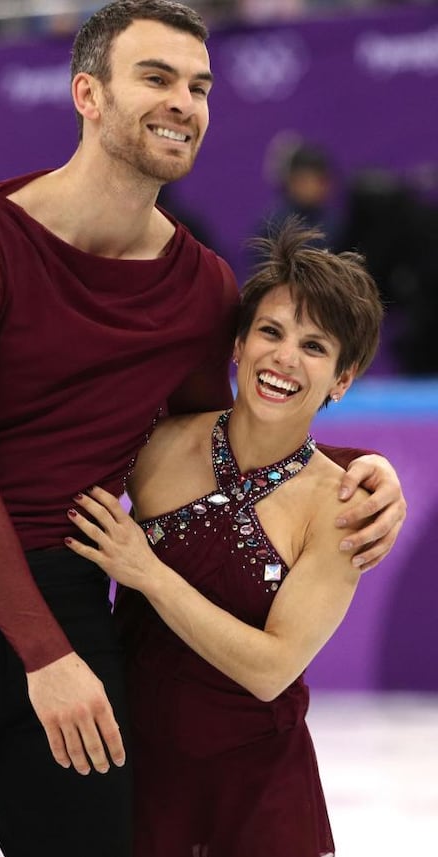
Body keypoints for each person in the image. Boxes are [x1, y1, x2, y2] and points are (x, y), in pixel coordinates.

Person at [0, 2, 405, 855]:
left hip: (73, 591)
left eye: (200, 85)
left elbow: (215, 440)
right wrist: (44, 654)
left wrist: (358, 470)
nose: (184, 99)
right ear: (87, 94)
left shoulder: (202, 288)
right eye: (156, 76)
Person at [64, 219, 388, 856]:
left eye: (315, 347)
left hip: (258, 791)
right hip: (137, 769)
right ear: (237, 345)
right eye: (270, 331)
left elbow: (271, 670)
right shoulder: (155, 444)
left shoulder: (342, 508)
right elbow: (37, 485)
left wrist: (148, 571)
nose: (284, 358)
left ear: (342, 380)